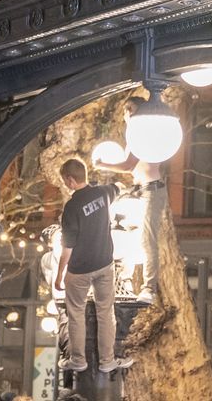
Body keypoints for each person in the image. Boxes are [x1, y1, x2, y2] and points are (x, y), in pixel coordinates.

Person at [56, 157, 126, 372]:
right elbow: (119, 187)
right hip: (104, 264)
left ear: (69, 180)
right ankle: (107, 361)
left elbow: (68, 247)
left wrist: (60, 276)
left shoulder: (71, 207)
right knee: (106, 312)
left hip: (80, 269)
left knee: (76, 314)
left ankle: (78, 360)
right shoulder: (103, 193)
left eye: (65, 181)